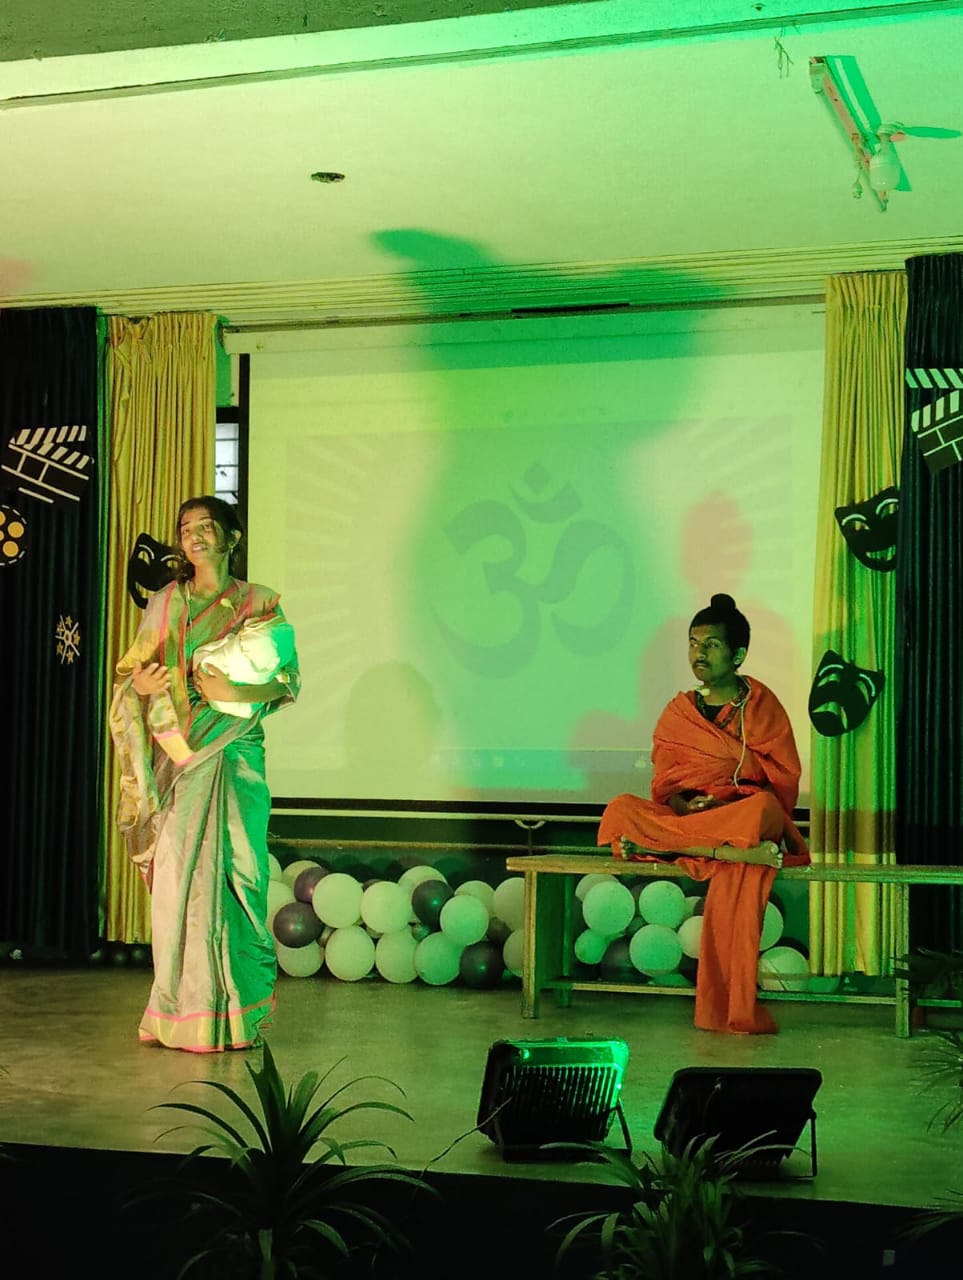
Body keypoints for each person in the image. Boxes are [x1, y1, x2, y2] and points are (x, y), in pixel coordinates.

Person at [109, 496, 300, 1052]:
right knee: (179, 887)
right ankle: (175, 1011)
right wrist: (141, 686)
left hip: (235, 755)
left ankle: (234, 1016)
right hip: (180, 761)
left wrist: (233, 690)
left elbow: (287, 683)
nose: (193, 535)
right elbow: (130, 679)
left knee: (239, 877)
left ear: (231, 538)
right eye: (185, 528)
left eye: (206, 526)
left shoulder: (258, 603)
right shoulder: (165, 603)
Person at [597, 593, 809, 1035]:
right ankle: (726, 853)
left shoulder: (762, 706)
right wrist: (683, 804)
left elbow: (782, 780)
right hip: (697, 822)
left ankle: (681, 847)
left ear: (738, 655)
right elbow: (665, 786)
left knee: (761, 811)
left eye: (711, 645)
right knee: (620, 809)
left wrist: (726, 803)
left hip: (741, 813)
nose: (699, 653)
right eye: (693, 643)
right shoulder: (679, 711)